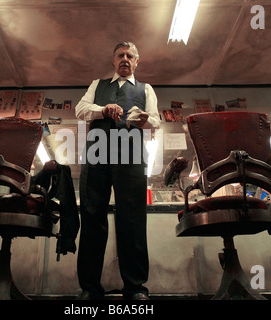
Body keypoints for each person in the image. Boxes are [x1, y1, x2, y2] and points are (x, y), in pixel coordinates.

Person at [75, 41, 161, 300]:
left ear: (136, 62)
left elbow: (156, 120)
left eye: (130, 56)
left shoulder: (146, 89)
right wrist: (102, 109)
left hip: (131, 156)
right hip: (96, 154)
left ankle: (135, 289)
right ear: (113, 61)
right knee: (92, 218)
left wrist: (147, 120)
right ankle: (89, 290)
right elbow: (80, 110)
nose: (125, 59)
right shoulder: (97, 85)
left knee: (132, 220)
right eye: (120, 55)